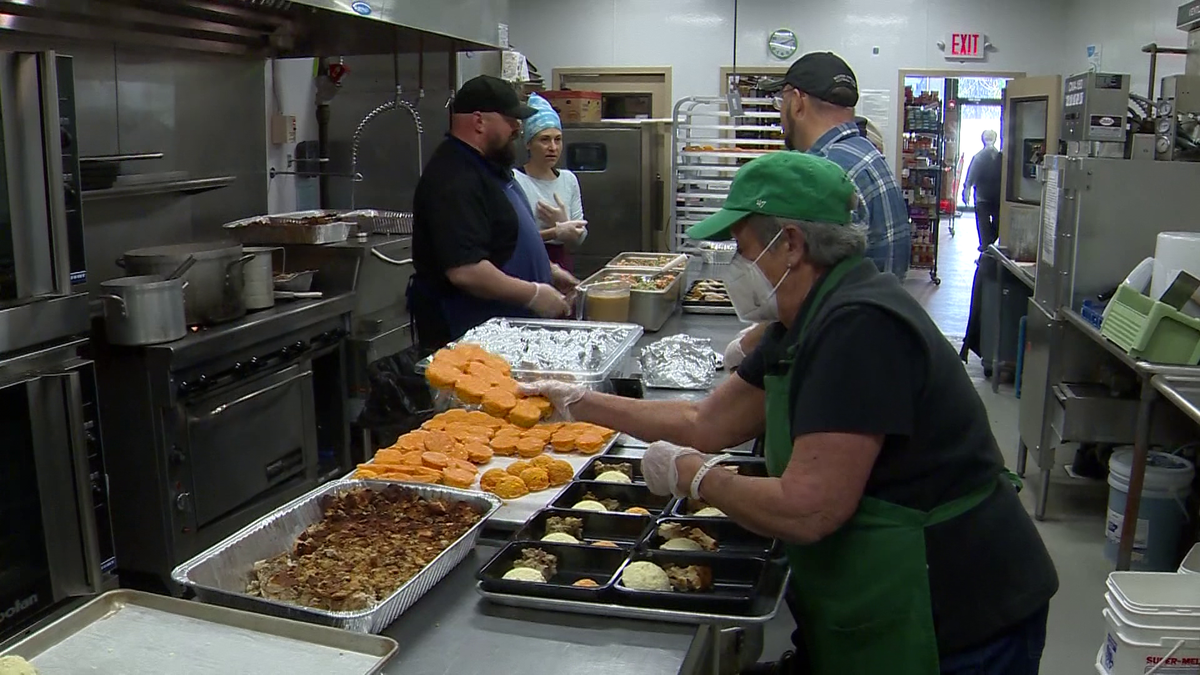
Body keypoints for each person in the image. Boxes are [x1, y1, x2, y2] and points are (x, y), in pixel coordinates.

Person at [523, 151, 1058, 675]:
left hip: (955, 610)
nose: (735, 265)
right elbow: (706, 422)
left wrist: (697, 477)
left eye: (742, 246)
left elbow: (808, 508)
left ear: (793, 244)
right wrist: (578, 400)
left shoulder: (859, 329)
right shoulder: (802, 318)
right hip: (885, 590)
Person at [409, 76, 579, 351]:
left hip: (503, 331)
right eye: (510, 119)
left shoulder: (488, 166)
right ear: (479, 121)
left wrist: (548, 270)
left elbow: (500, 238)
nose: (517, 128)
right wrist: (534, 294)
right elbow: (466, 270)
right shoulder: (453, 178)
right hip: (469, 334)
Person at [768, 52, 910, 280]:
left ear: (796, 102)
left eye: (780, 100)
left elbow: (803, 283)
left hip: (841, 314)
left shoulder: (821, 174)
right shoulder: (867, 155)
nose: (780, 114)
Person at [513, 93, 588, 272]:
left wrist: (565, 223)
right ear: (528, 144)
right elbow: (512, 241)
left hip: (562, 263)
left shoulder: (568, 180)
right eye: (544, 139)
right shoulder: (515, 180)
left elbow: (580, 237)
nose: (553, 147)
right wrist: (555, 232)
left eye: (558, 139)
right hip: (527, 264)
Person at [962, 130, 1002, 252]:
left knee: (987, 225)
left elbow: (971, 177)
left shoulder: (984, 157)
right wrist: (967, 189)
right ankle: (987, 246)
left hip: (988, 196)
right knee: (991, 224)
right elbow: (971, 176)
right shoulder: (997, 157)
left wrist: (967, 190)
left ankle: (986, 246)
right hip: (991, 196)